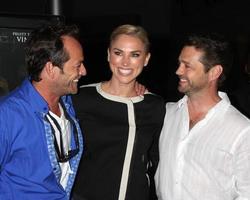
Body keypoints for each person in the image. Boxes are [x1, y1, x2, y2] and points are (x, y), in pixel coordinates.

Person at [72, 24, 166, 200]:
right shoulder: (81, 98)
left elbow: (157, 160)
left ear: (146, 59)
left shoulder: (155, 105)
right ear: (108, 54)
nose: (125, 62)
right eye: (118, 53)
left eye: (135, 55)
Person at [155, 33, 250, 200]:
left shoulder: (242, 130)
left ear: (214, 72)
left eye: (187, 66)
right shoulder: (167, 114)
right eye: (179, 64)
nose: (178, 71)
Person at [0, 23, 85, 200]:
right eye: (77, 66)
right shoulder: (7, 115)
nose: (84, 71)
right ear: (50, 69)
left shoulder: (68, 103)